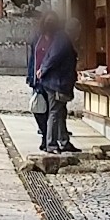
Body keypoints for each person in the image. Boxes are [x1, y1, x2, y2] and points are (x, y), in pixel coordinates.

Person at [27, 12, 80, 153]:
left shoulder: (57, 38)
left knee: (59, 112)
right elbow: (52, 57)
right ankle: (50, 143)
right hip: (55, 82)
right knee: (53, 113)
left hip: (49, 80)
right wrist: (41, 71)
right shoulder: (62, 39)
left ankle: (63, 141)